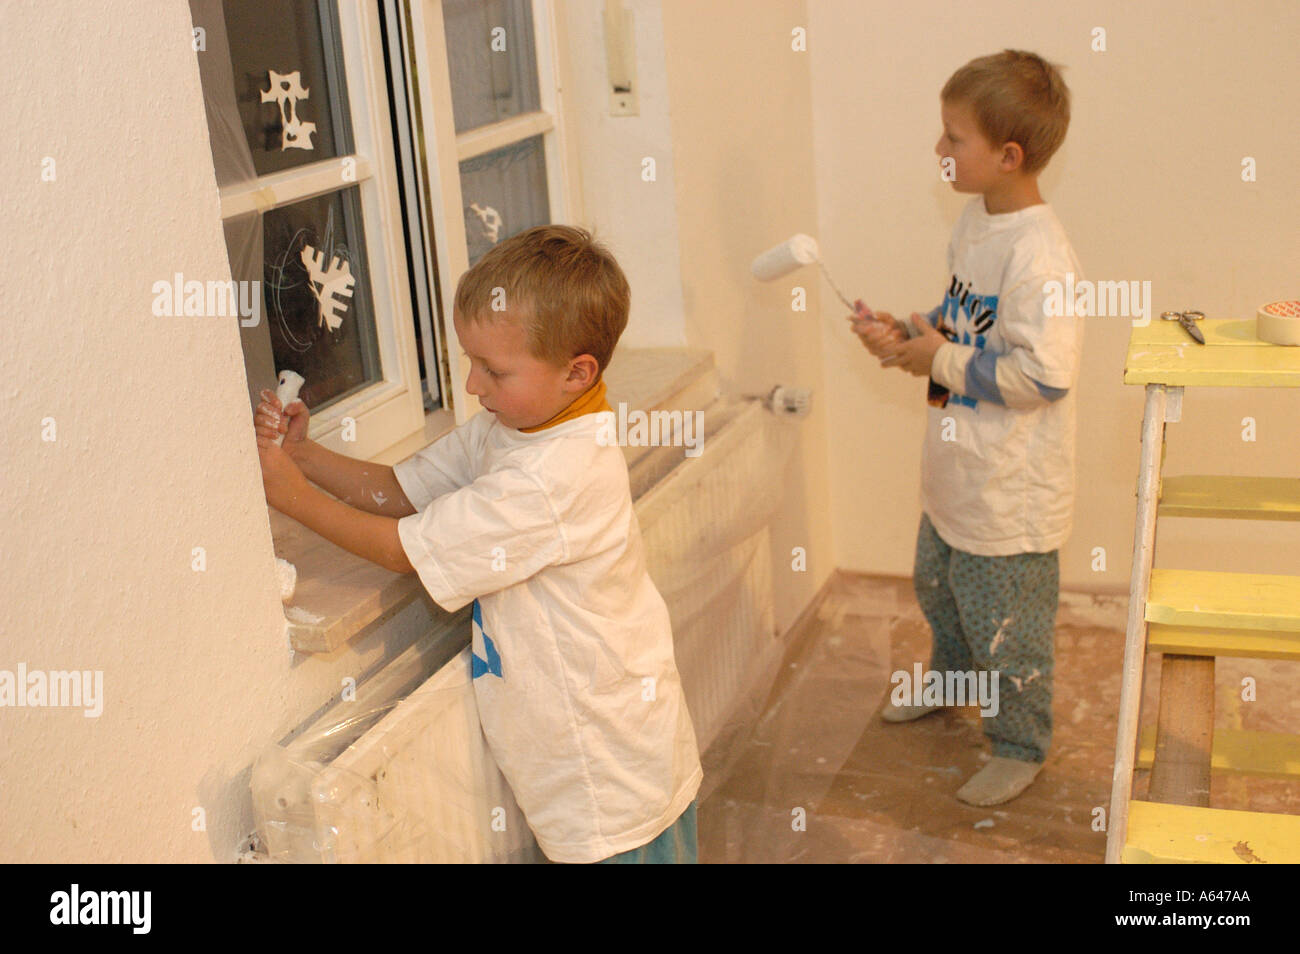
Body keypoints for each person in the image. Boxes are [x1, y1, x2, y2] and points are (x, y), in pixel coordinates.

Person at [255, 224, 702, 862]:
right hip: (583, 765)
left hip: (614, 776)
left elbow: (402, 547)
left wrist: (288, 495)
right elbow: (402, 491)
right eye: (469, 362)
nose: (471, 386)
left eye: (493, 370)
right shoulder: (515, 424)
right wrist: (306, 458)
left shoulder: (556, 475)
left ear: (577, 373)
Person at [848, 50, 1083, 806]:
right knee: (940, 592)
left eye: (954, 138)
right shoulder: (977, 223)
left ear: (1007, 156)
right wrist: (912, 330)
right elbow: (965, 321)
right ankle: (952, 683)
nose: (939, 151)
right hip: (958, 474)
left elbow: (1044, 377)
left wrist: (938, 360)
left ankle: (1019, 743)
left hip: (1010, 494)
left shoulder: (1041, 258)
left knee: (1007, 629)